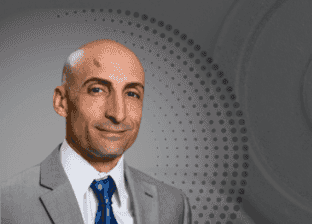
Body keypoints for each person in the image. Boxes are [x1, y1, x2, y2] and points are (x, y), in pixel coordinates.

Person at [1, 39, 190, 224]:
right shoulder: (7, 203)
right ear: (62, 102)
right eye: (97, 90)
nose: (118, 114)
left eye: (132, 94)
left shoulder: (173, 204)